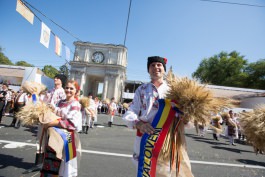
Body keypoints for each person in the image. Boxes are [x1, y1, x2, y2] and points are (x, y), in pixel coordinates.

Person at [123, 56, 192, 176]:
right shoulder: (142, 89)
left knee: (167, 172)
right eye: (152, 65)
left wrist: (186, 118)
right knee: (145, 171)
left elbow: (185, 117)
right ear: (148, 70)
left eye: (159, 65)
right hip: (145, 137)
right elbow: (131, 111)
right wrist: (139, 123)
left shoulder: (174, 90)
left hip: (167, 139)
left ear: (164, 69)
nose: (156, 67)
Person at [40, 80, 82, 177]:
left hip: (67, 138)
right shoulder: (60, 102)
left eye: (71, 88)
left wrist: (50, 123)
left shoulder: (75, 104)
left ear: (76, 91)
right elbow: (55, 115)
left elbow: (71, 123)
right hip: (55, 136)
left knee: (64, 165)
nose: (68, 90)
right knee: (51, 161)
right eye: (67, 87)